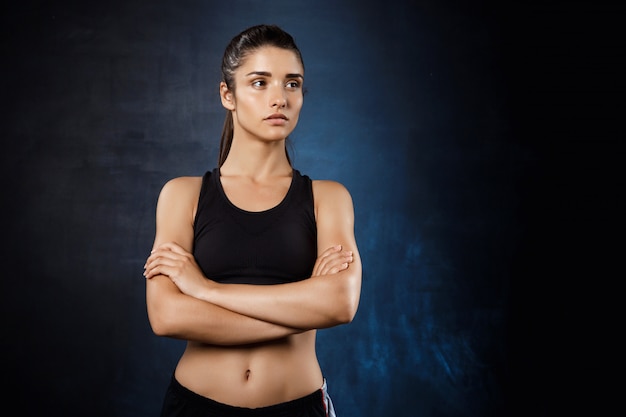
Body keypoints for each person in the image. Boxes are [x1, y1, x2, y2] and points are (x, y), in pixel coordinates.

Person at [143, 24, 362, 417]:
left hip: (298, 406)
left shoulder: (329, 198)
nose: (279, 97)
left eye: (292, 84)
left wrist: (205, 290)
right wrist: (304, 305)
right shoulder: (182, 195)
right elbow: (167, 315)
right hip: (196, 406)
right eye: (260, 82)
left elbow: (340, 303)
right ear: (228, 95)